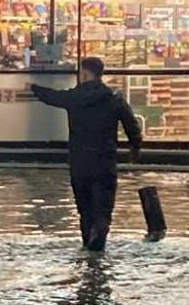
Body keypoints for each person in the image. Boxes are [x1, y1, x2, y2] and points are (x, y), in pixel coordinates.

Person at [29, 57, 142, 252]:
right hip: (104, 161)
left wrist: (33, 88)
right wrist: (135, 148)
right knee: (103, 208)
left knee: (85, 210)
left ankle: (88, 243)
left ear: (84, 74)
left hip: (80, 162)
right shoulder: (114, 98)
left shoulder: (75, 98)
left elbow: (53, 97)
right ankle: (99, 235)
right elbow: (131, 125)